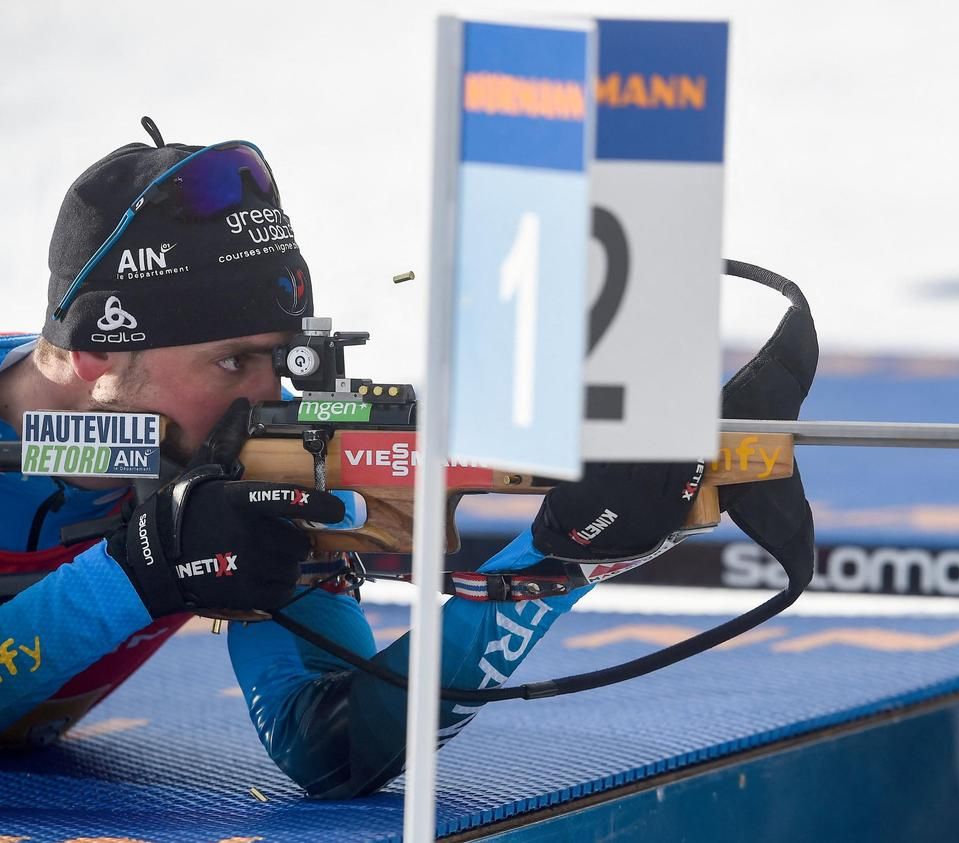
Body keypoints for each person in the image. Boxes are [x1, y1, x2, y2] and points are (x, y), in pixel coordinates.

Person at [0, 119, 702, 798]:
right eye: (232, 360)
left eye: (282, 358)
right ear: (96, 353)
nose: (267, 395)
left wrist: (561, 557)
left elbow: (331, 742)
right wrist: (139, 573)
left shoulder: (234, 458)